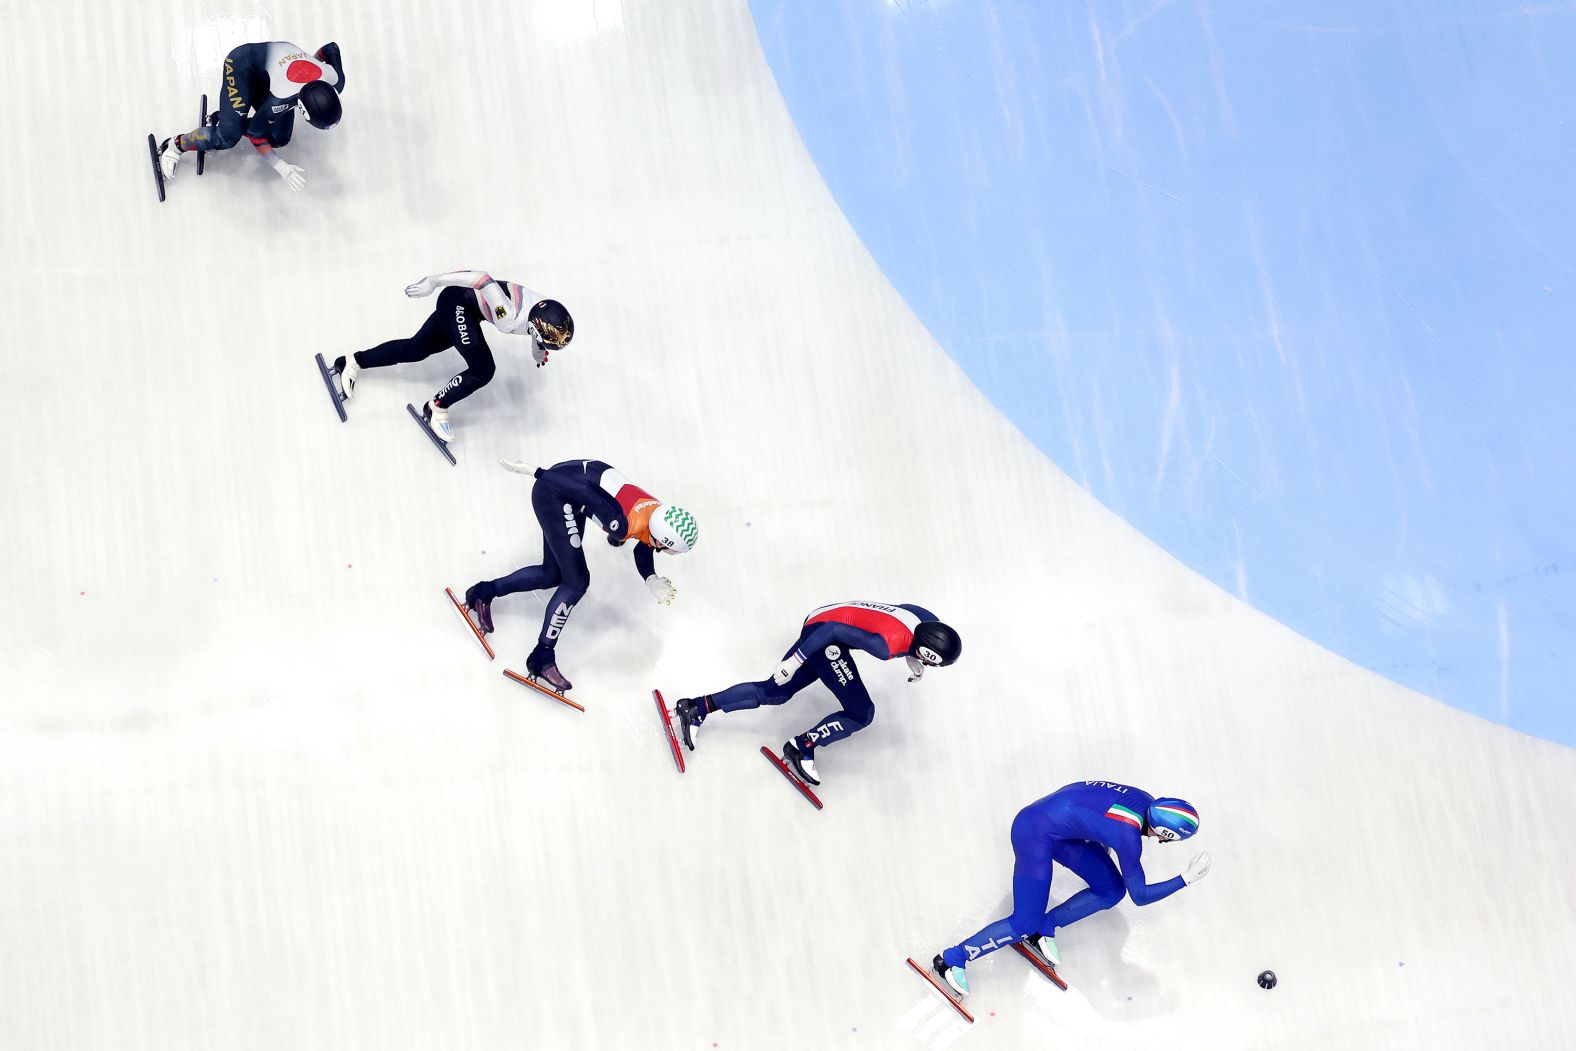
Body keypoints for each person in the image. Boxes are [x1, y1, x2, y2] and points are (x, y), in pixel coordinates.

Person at [932, 782, 1210, 998]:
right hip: (1034, 834)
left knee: (1111, 889)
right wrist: (1185, 878)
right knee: (1023, 921)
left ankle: (1044, 928)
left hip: (1062, 828)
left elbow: (1087, 801)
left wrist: (1097, 834)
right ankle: (952, 960)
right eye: (1170, 839)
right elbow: (1140, 895)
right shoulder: (1128, 837)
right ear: (1166, 832)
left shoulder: (1143, 799)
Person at [462, 459, 696, 691]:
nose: (675, 554)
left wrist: (651, 579)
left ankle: (482, 593)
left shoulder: (658, 514)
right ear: (664, 539)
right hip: (557, 492)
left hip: (574, 488)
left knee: (551, 574)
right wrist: (536, 472)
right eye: (675, 550)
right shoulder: (624, 525)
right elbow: (585, 494)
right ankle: (541, 658)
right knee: (577, 582)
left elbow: (643, 548)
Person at [672, 601, 961, 784]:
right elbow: (835, 630)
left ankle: (696, 707)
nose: (926, 665)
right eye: (928, 660)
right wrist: (794, 661)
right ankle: (802, 746)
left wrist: (912, 657)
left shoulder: (925, 618)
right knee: (862, 713)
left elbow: (897, 611)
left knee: (775, 693)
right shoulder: (886, 647)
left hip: (826, 618)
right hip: (826, 634)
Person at [330, 271, 573, 442]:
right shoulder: (510, 314)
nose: (543, 345)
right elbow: (482, 278)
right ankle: (436, 406)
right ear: (534, 327)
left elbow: (539, 332)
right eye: (544, 342)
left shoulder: (544, 307)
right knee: (483, 369)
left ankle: (352, 361)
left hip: (466, 306)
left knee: (416, 349)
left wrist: (538, 350)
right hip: (458, 304)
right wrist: (433, 281)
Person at [158, 40, 345, 192]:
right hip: (242, 66)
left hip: (270, 75)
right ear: (302, 107)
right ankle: (174, 145)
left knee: (279, 138)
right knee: (227, 137)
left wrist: (313, 60)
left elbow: (331, 49)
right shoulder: (281, 100)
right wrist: (279, 165)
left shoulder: (335, 80)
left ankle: (222, 118)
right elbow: (256, 134)